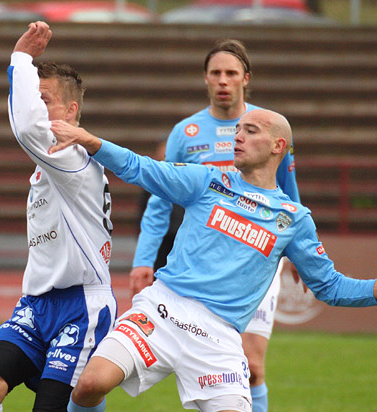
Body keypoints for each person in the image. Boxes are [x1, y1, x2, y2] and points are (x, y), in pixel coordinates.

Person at [48, 109, 377, 412]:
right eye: (237, 130)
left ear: (278, 145)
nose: (238, 136)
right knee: (90, 384)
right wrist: (89, 140)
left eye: (251, 130)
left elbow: (328, 285)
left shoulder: (293, 218)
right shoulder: (208, 181)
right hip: (162, 310)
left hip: (218, 337)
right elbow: (141, 167)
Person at [130, 39, 300, 412]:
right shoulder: (185, 134)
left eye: (231, 73)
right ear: (205, 79)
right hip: (203, 261)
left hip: (254, 256)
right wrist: (143, 260)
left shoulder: (269, 126)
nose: (223, 80)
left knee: (253, 367)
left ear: (245, 79)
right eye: (216, 73)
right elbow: (159, 202)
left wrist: (302, 252)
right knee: (214, 365)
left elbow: (290, 196)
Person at [0, 22, 117, 412]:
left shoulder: (72, 159)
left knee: (54, 407)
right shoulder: (49, 166)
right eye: (34, 98)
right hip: (36, 303)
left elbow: (28, 129)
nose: (36, 106)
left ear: (72, 111)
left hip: (82, 305)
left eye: (45, 99)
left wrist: (20, 59)